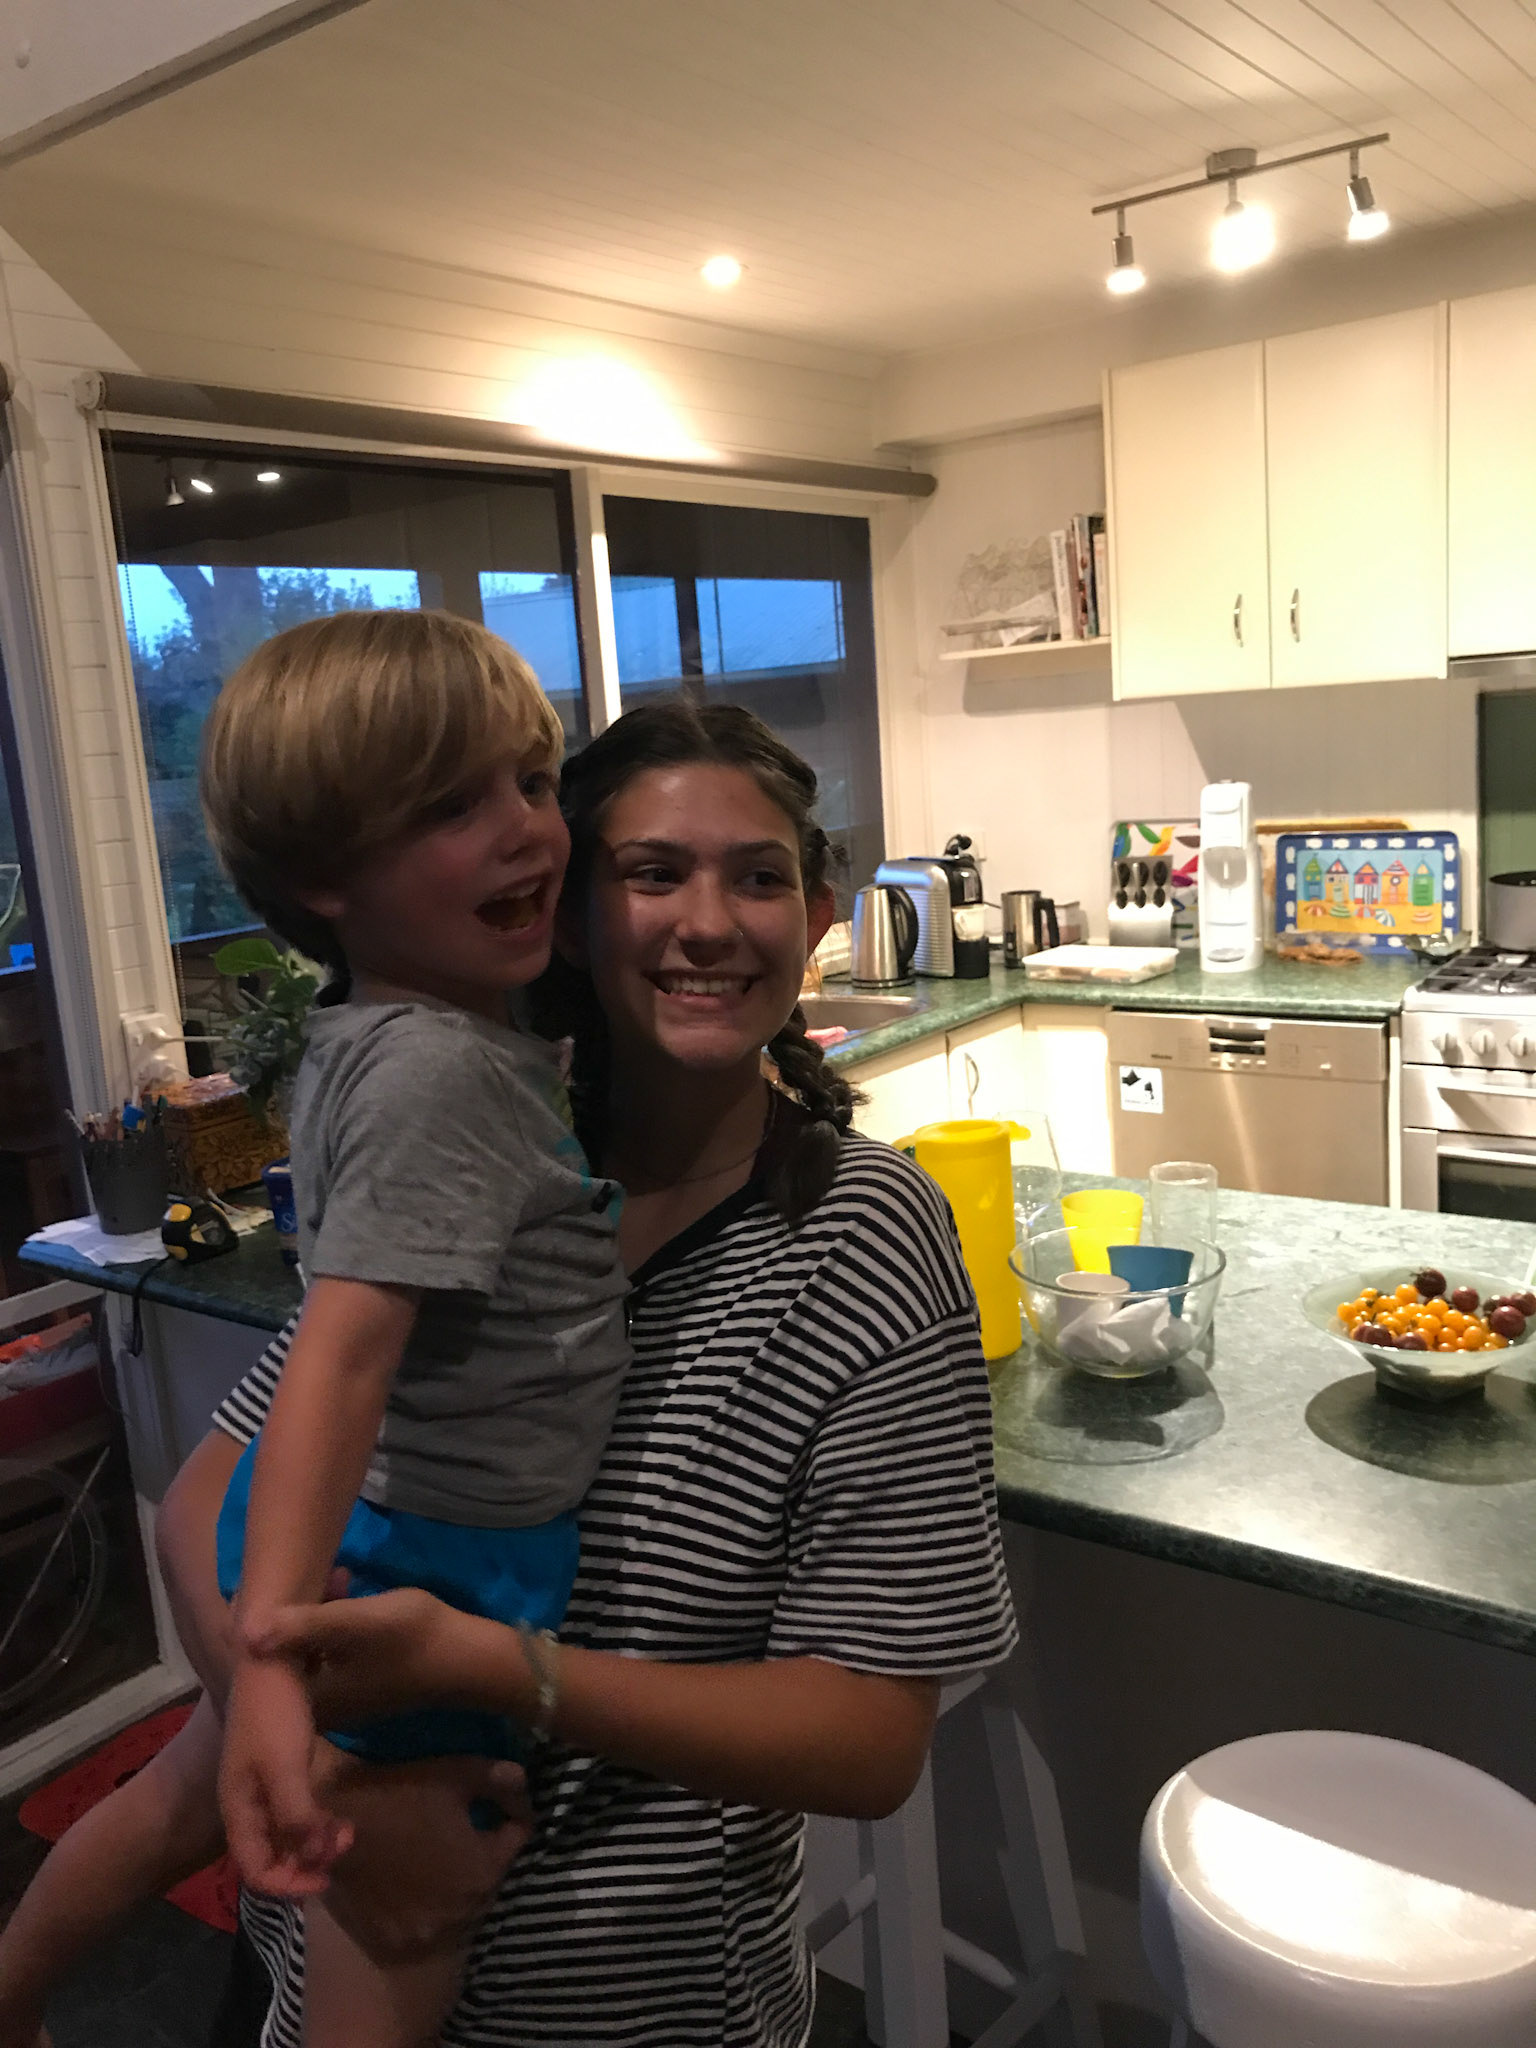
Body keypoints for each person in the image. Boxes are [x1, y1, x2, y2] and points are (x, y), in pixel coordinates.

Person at [160, 697, 1019, 2047]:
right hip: (327, 1960)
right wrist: (342, 1795)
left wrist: (502, 1670)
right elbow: (202, 1504)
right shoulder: (477, 1158)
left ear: (816, 913)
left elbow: (867, 1740)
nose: (709, 923)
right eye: (652, 874)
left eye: (758, 878)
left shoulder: (858, 1236)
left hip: (638, 2012)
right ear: (567, 913)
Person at [0, 609, 634, 2048]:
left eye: (533, 780)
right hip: (422, 1566)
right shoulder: (438, 1076)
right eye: (452, 806)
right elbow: (342, 1356)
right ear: (322, 881)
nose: (528, 829)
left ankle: (12, 1993)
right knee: (396, 1938)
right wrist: (278, 1659)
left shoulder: (379, 1037)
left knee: (178, 1797)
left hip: (365, 1537)